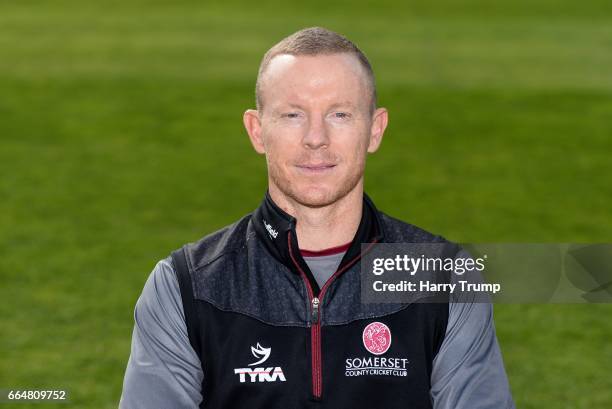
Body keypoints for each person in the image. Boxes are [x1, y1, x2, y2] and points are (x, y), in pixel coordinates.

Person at [119, 26, 515, 409]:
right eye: (293, 115)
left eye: (339, 114)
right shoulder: (186, 286)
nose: (315, 138)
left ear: (375, 130)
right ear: (257, 131)